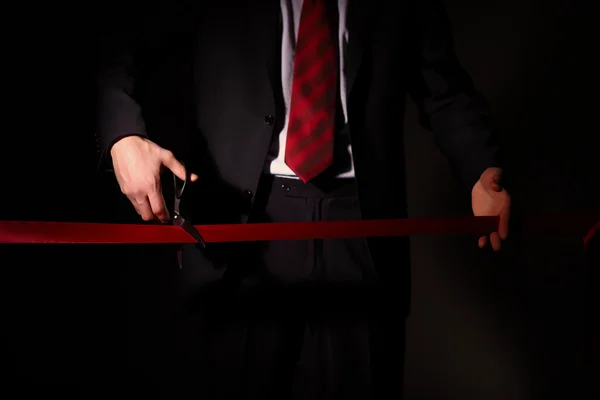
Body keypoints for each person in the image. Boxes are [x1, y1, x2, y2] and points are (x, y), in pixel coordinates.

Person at [96, 1, 511, 398]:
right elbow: (122, 40)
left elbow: (445, 88)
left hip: (361, 228)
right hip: (242, 226)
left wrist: (480, 169)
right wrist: (122, 136)